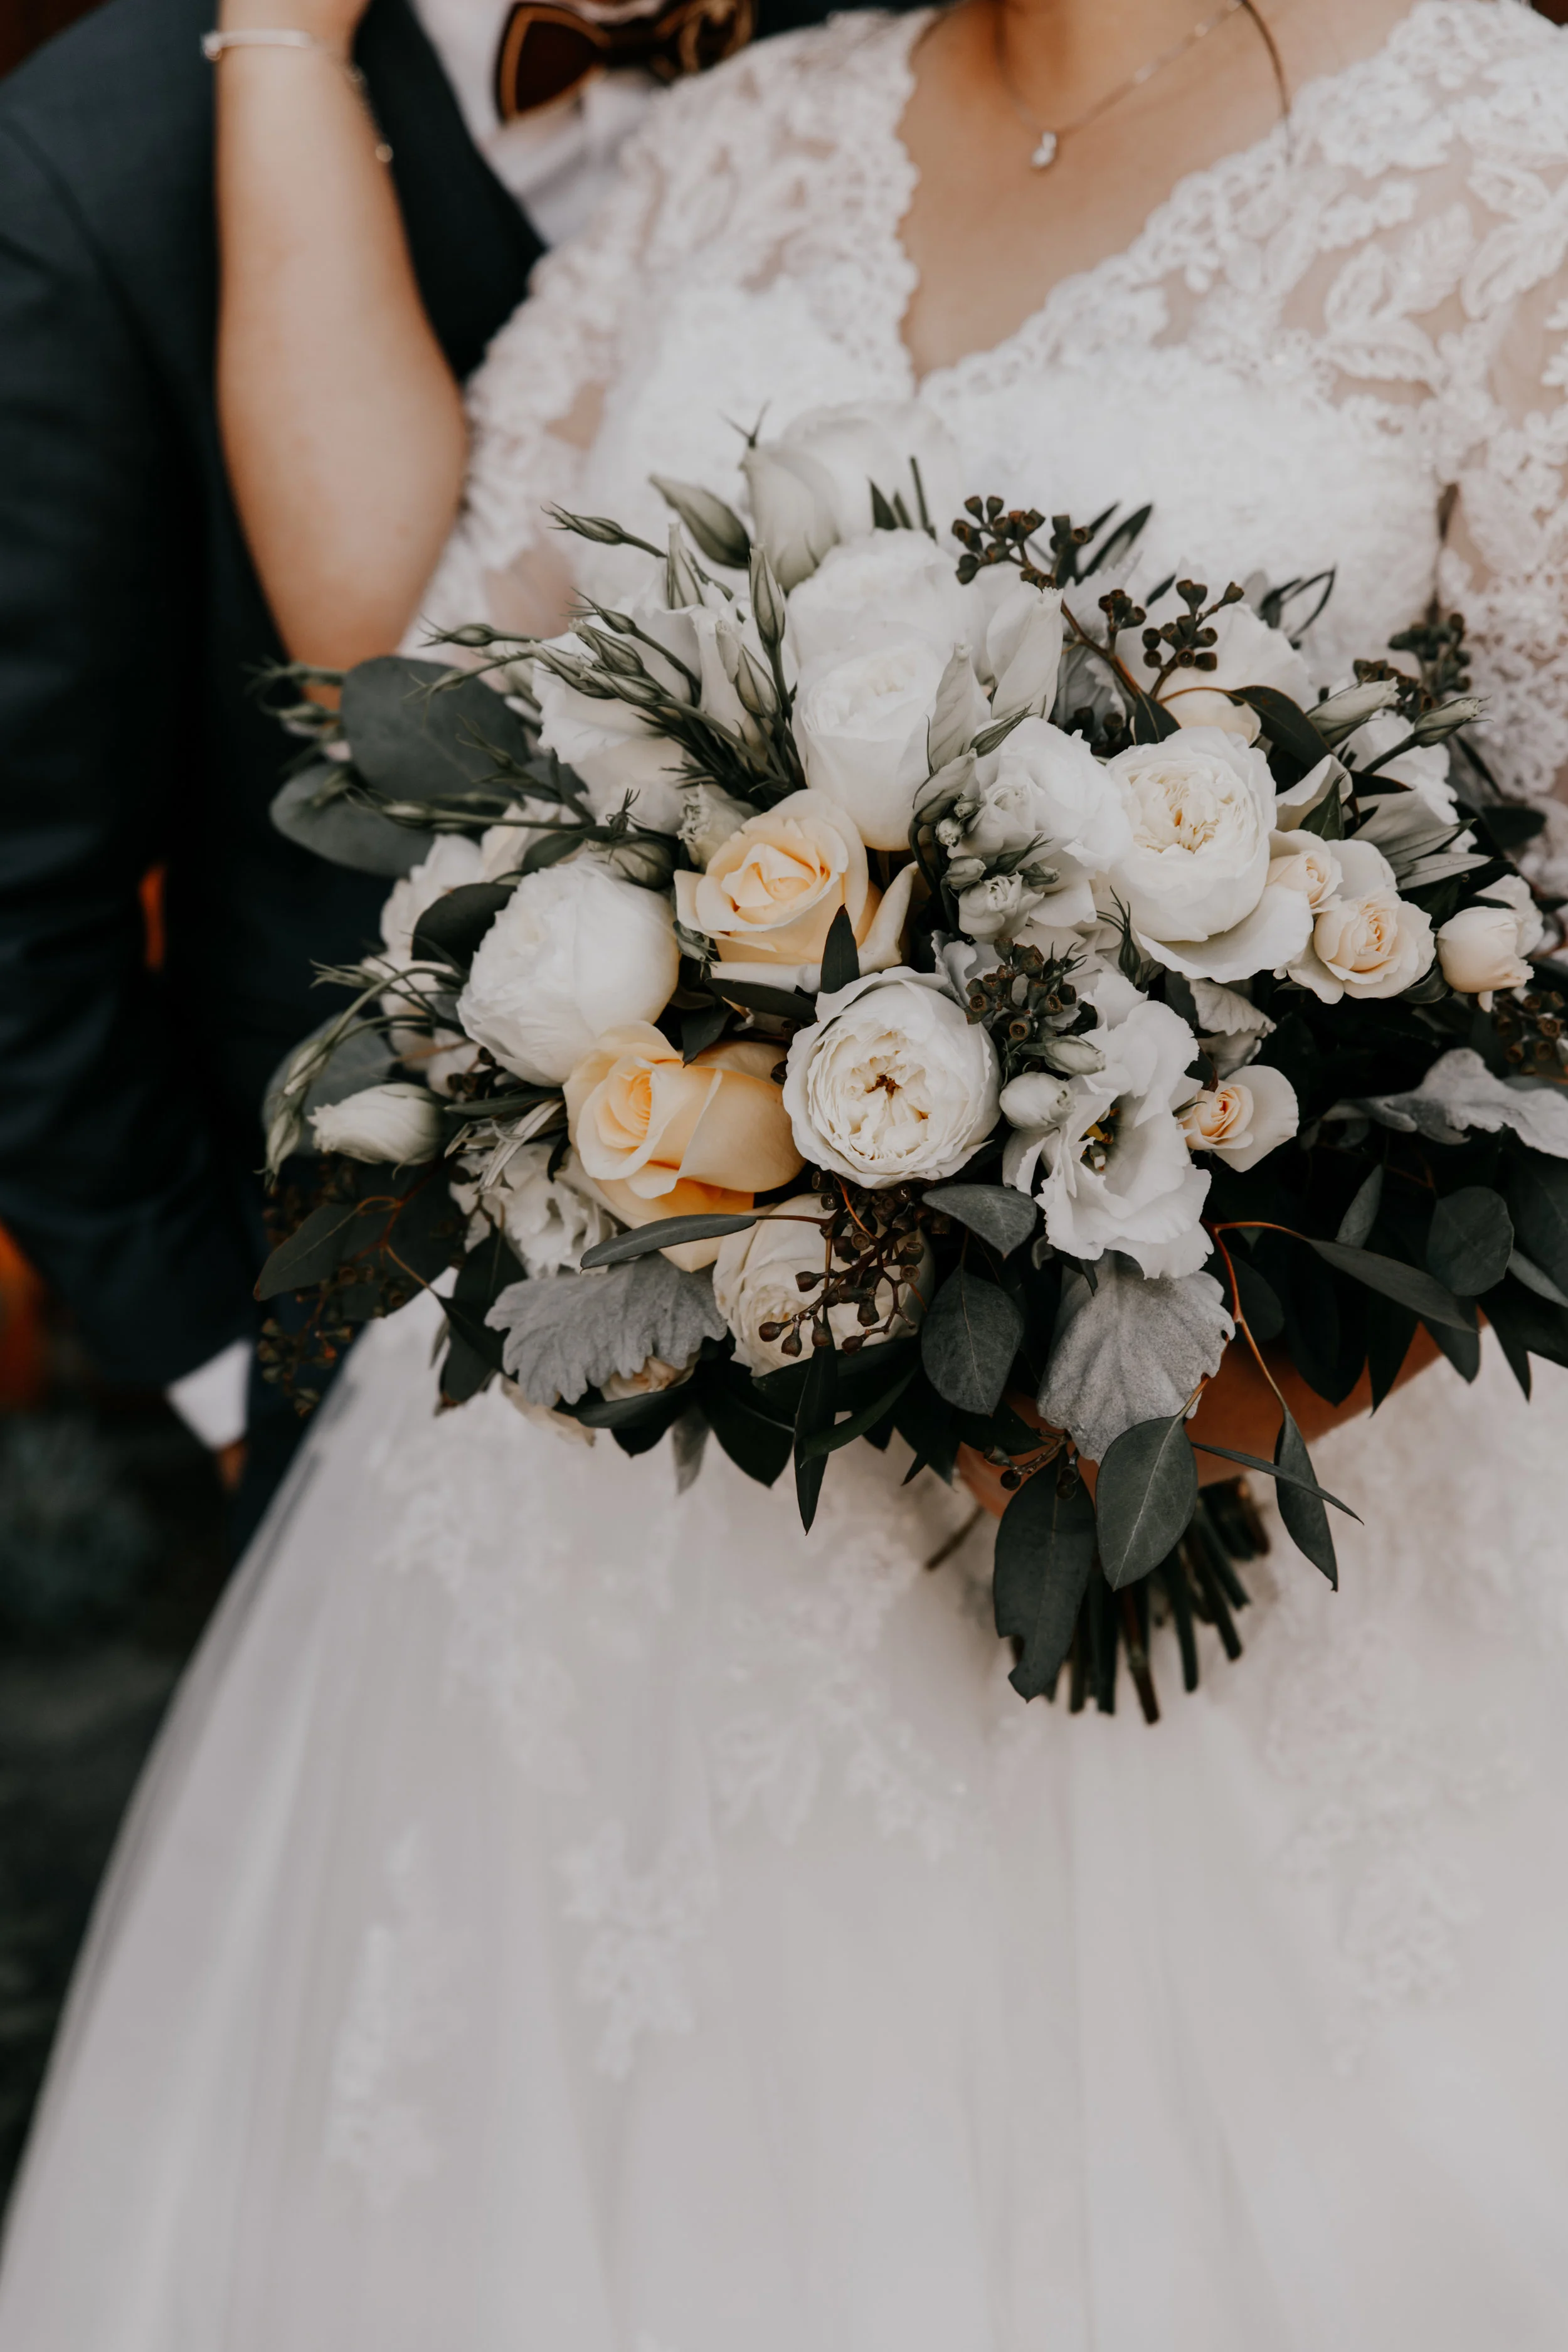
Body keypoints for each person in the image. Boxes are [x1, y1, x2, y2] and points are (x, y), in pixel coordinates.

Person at [5, 0, 1568, 2341]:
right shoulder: (736, 144)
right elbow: (425, 672)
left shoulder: (1506, 153)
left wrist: (1275, 1364)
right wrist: (292, 44)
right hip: (615, 1569)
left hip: (1255, 1493)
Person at [0, 0, 860, 1551]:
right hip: (391, 1334)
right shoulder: (90, 163)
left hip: (908, 1237)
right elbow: (17, 905)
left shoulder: (912, 43)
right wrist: (227, 1362)